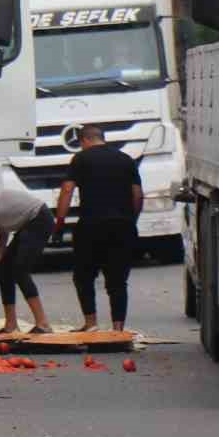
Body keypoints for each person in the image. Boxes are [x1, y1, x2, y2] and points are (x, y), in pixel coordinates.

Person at [53, 125, 143, 332]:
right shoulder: (125, 160)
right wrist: (130, 220)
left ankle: (91, 323)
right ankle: (118, 329)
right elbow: (137, 195)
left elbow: (67, 190)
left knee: (84, 276)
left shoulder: (81, 159)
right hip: (122, 227)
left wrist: (59, 223)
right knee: (117, 281)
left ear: (84, 140)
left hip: (90, 226)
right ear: (102, 138)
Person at [0, 185, 55, 336]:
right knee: (4, 270)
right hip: (27, 222)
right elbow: (2, 226)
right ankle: (11, 324)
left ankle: (43, 324)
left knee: (20, 270)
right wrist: (1, 253)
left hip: (39, 218)